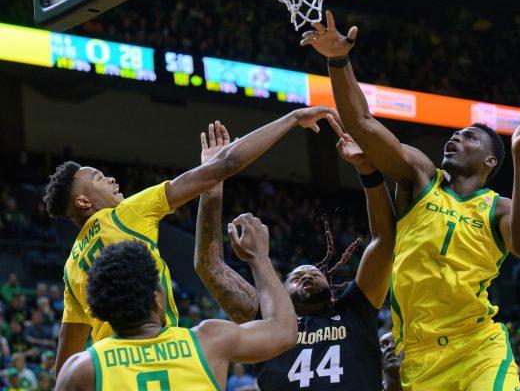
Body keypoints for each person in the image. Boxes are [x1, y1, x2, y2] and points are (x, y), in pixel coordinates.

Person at [301, 11, 520, 390]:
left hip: (477, 347)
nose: (456, 137)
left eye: (469, 137)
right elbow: (364, 124)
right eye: (455, 133)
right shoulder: (420, 177)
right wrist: (338, 60)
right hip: (415, 354)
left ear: (490, 160)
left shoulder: (499, 207)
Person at [43, 107, 332, 374]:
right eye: (99, 178)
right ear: (83, 201)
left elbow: (64, 363)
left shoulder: (71, 268)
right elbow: (229, 163)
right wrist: (293, 118)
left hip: (111, 367)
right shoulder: (124, 214)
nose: (111, 179)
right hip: (162, 351)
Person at [195, 118, 398, 390]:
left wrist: (367, 170)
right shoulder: (266, 320)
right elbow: (210, 267)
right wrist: (211, 179)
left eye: (315, 273)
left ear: (332, 287)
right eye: (296, 276)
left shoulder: (355, 309)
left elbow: (384, 240)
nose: (307, 275)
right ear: (279, 292)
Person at [55, 218, 298, 391]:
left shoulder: (82, 369)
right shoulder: (209, 341)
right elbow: (284, 330)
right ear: (156, 299)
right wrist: (259, 258)